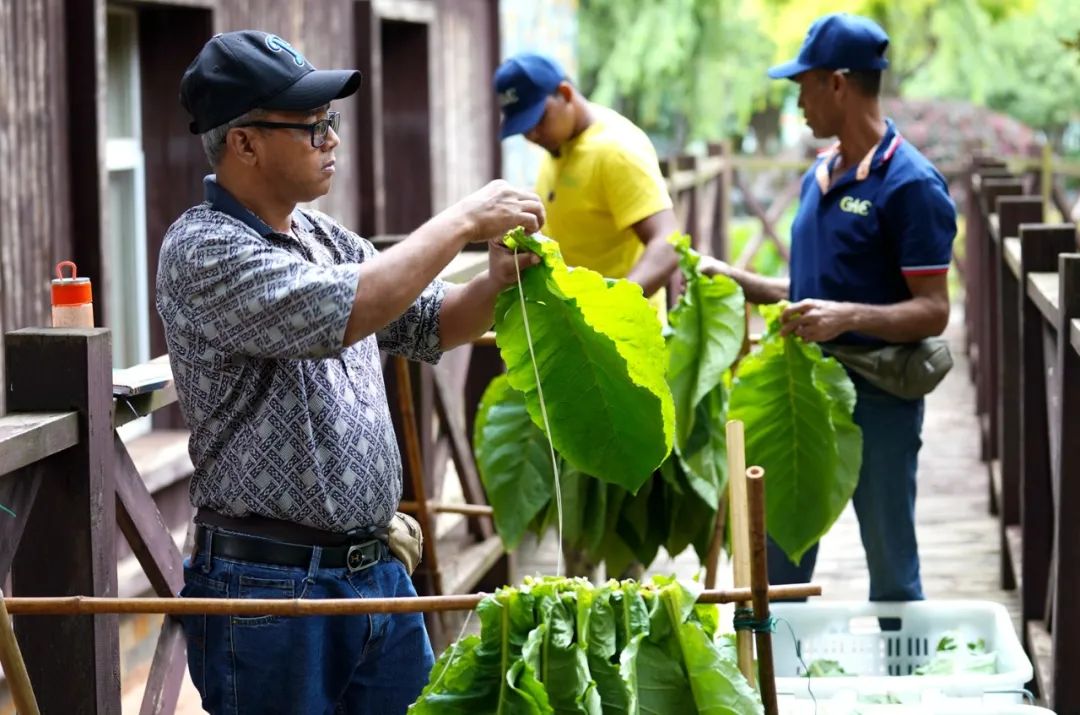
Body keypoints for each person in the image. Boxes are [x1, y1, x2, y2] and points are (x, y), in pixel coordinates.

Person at [157, 31, 543, 714]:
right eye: (311, 127)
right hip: (269, 589)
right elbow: (350, 305)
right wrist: (460, 220)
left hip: (376, 573)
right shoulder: (202, 248)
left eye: (329, 122)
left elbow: (432, 323)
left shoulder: (324, 235)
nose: (331, 138)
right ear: (243, 143)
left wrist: (494, 281)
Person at [701, 13, 956, 601]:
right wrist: (736, 278)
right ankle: (780, 687)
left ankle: (901, 685)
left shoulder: (911, 185)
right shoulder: (819, 175)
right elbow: (811, 288)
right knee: (781, 564)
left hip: (879, 400)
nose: (798, 105)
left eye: (803, 86)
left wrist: (848, 317)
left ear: (837, 84)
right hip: (803, 395)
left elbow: (933, 310)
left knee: (892, 565)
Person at [493, 52, 679, 311]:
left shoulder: (616, 150)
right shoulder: (558, 143)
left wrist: (611, 308)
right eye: (524, 127)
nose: (533, 134)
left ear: (566, 94)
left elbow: (669, 242)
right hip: (574, 326)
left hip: (620, 336)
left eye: (538, 119)